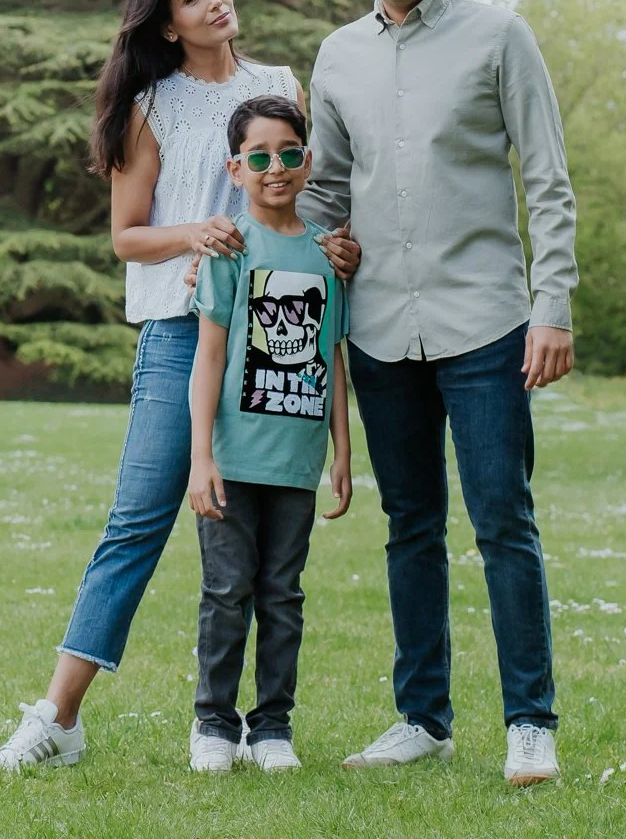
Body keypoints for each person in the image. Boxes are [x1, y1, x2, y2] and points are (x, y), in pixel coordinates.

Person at [0, 0, 358, 771]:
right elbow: (126, 235)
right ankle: (57, 716)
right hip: (179, 334)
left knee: (269, 558)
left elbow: (311, 197)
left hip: (273, 337)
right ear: (167, 20)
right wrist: (200, 231)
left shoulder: (281, 85)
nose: (215, 0)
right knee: (138, 523)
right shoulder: (150, 107)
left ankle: (253, 726)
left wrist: (339, 249)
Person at [300, 0, 577, 787]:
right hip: (381, 328)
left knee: (504, 518)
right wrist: (317, 250)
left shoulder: (499, 37)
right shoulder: (335, 57)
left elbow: (546, 180)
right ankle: (423, 716)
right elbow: (326, 191)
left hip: (489, 321)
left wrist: (553, 305)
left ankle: (529, 720)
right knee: (409, 521)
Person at [183, 94, 353, 774]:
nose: (275, 167)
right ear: (236, 167)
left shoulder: (326, 256)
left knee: (283, 594)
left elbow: (332, 357)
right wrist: (200, 456)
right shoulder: (229, 248)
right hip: (230, 458)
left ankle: (272, 726)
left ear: (307, 161)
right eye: (259, 156)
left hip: (297, 463)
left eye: (288, 153)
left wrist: (343, 450)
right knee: (227, 591)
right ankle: (214, 725)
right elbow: (210, 356)